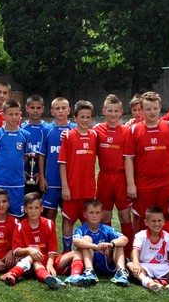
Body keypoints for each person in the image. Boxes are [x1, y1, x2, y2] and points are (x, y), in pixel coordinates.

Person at [125, 92, 169, 229]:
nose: (152, 112)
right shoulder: (134, 130)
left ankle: (165, 248)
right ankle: (141, 248)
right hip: (144, 184)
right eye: (148, 109)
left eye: (155, 108)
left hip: (167, 183)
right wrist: (130, 184)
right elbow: (128, 159)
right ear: (142, 109)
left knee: (166, 218)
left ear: (160, 107)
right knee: (143, 218)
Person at [93, 95, 135, 255]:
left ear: (121, 112)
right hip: (104, 177)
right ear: (104, 111)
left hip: (121, 178)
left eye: (116, 111)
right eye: (109, 111)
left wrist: (131, 183)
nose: (112, 114)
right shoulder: (97, 130)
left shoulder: (127, 131)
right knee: (105, 217)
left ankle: (129, 252)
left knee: (125, 217)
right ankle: (108, 253)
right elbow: (81, 134)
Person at [58, 100, 98, 252]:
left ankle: (85, 250)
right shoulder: (68, 136)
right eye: (82, 117)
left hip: (88, 189)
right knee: (68, 219)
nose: (85, 120)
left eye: (88, 117)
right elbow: (62, 163)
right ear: (75, 118)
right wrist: (65, 187)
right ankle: (67, 250)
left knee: (87, 220)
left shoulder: (94, 135)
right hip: (72, 188)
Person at [64, 200, 129, 286]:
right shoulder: (81, 229)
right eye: (91, 212)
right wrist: (95, 247)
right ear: (85, 214)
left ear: (102, 214)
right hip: (90, 259)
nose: (94, 216)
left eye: (97, 213)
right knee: (86, 239)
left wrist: (110, 244)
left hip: (106, 260)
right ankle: (89, 270)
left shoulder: (106, 229)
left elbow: (125, 239)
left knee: (118, 243)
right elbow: (76, 241)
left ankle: (121, 272)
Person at [127, 206, 169, 294]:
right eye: (153, 221)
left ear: (164, 221)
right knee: (131, 264)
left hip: (163, 267)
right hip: (145, 266)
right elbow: (135, 251)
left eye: (159, 221)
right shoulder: (140, 235)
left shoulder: (168, 237)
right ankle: (148, 283)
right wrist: (137, 264)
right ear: (146, 222)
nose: (157, 224)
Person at [7, 193, 65, 289]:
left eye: (36, 208)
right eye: (30, 208)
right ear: (25, 209)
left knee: (75, 254)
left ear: (41, 209)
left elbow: (52, 249)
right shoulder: (20, 226)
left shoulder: (49, 224)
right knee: (34, 257)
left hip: (48, 259)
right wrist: (29, 250)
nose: (33, 211)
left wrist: (50, 264)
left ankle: (76, 276)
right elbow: (16, 251)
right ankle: (47, 277)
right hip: (31, 262)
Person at [0, 100, 33, 218]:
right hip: (0, 181)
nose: (14, 117)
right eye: (10, 114)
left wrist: (17, 168)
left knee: (16, 215)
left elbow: (26, 155)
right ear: (3, 115)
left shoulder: (25, 135)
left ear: (20, 114)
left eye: (16, 114)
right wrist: (0, 169)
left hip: (17, 182)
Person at [42, 97, 75, 222]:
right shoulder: (47, 130)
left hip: (70, 181)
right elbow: (42, 155)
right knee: (49, 214)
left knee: (68, 217)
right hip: (51, 181)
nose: (60, 111)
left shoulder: (75, 129)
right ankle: (50, 241)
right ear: (52, 111)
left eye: (63, 108)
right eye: (57, 108)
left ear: (69, 110)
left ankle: (67, 242)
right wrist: (42, 177)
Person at [22, 95, 49, 195]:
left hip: (41, 176)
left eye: (38, 108)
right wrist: (21, 171)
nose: (35, 111)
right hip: (24, 174)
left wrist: (42, 175)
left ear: (43, 109)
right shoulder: (21, 128)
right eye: (32, 108)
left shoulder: (48, 129)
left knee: (40, 207)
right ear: (27, 108)